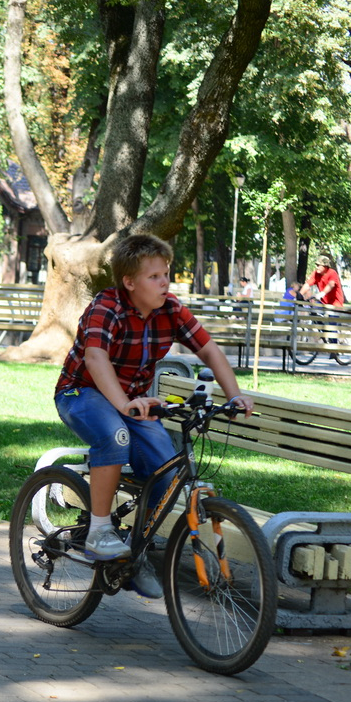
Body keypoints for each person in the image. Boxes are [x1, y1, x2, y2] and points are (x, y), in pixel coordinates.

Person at [54, 234, 254, 598]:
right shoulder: (106, 307)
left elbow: (209, 351)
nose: (165, 282)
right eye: (155, 277)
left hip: (132, 402)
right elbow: (96, 359)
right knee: (115, 435)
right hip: (80, 393)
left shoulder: (171, 309)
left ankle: (135, 554)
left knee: (169, 472)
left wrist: (235, 394)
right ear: (129, 282)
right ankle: (99, 531)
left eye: (166, 274)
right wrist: (123, 403)